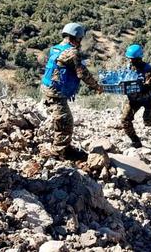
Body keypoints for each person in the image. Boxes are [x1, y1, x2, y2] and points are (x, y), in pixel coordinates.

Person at [39, 22, 103, 161]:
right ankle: (57, 154)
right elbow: (82, 74)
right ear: (78, 38)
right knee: (65, 121)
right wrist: (96, 86)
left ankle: (66, 148)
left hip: (49, 88)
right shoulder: (72, 52)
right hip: (56, 92)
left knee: (64, 120)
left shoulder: (56, 48)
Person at [119, 44, 151, 148]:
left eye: (133, 59)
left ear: (139, 58)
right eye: (130, 59)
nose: (131, 61)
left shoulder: (148, 70)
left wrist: (140, 95)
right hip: (134, 98)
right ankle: (135, 140)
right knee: (125, 119)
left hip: (148, 98)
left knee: (147, 121)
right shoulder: (129, 68)